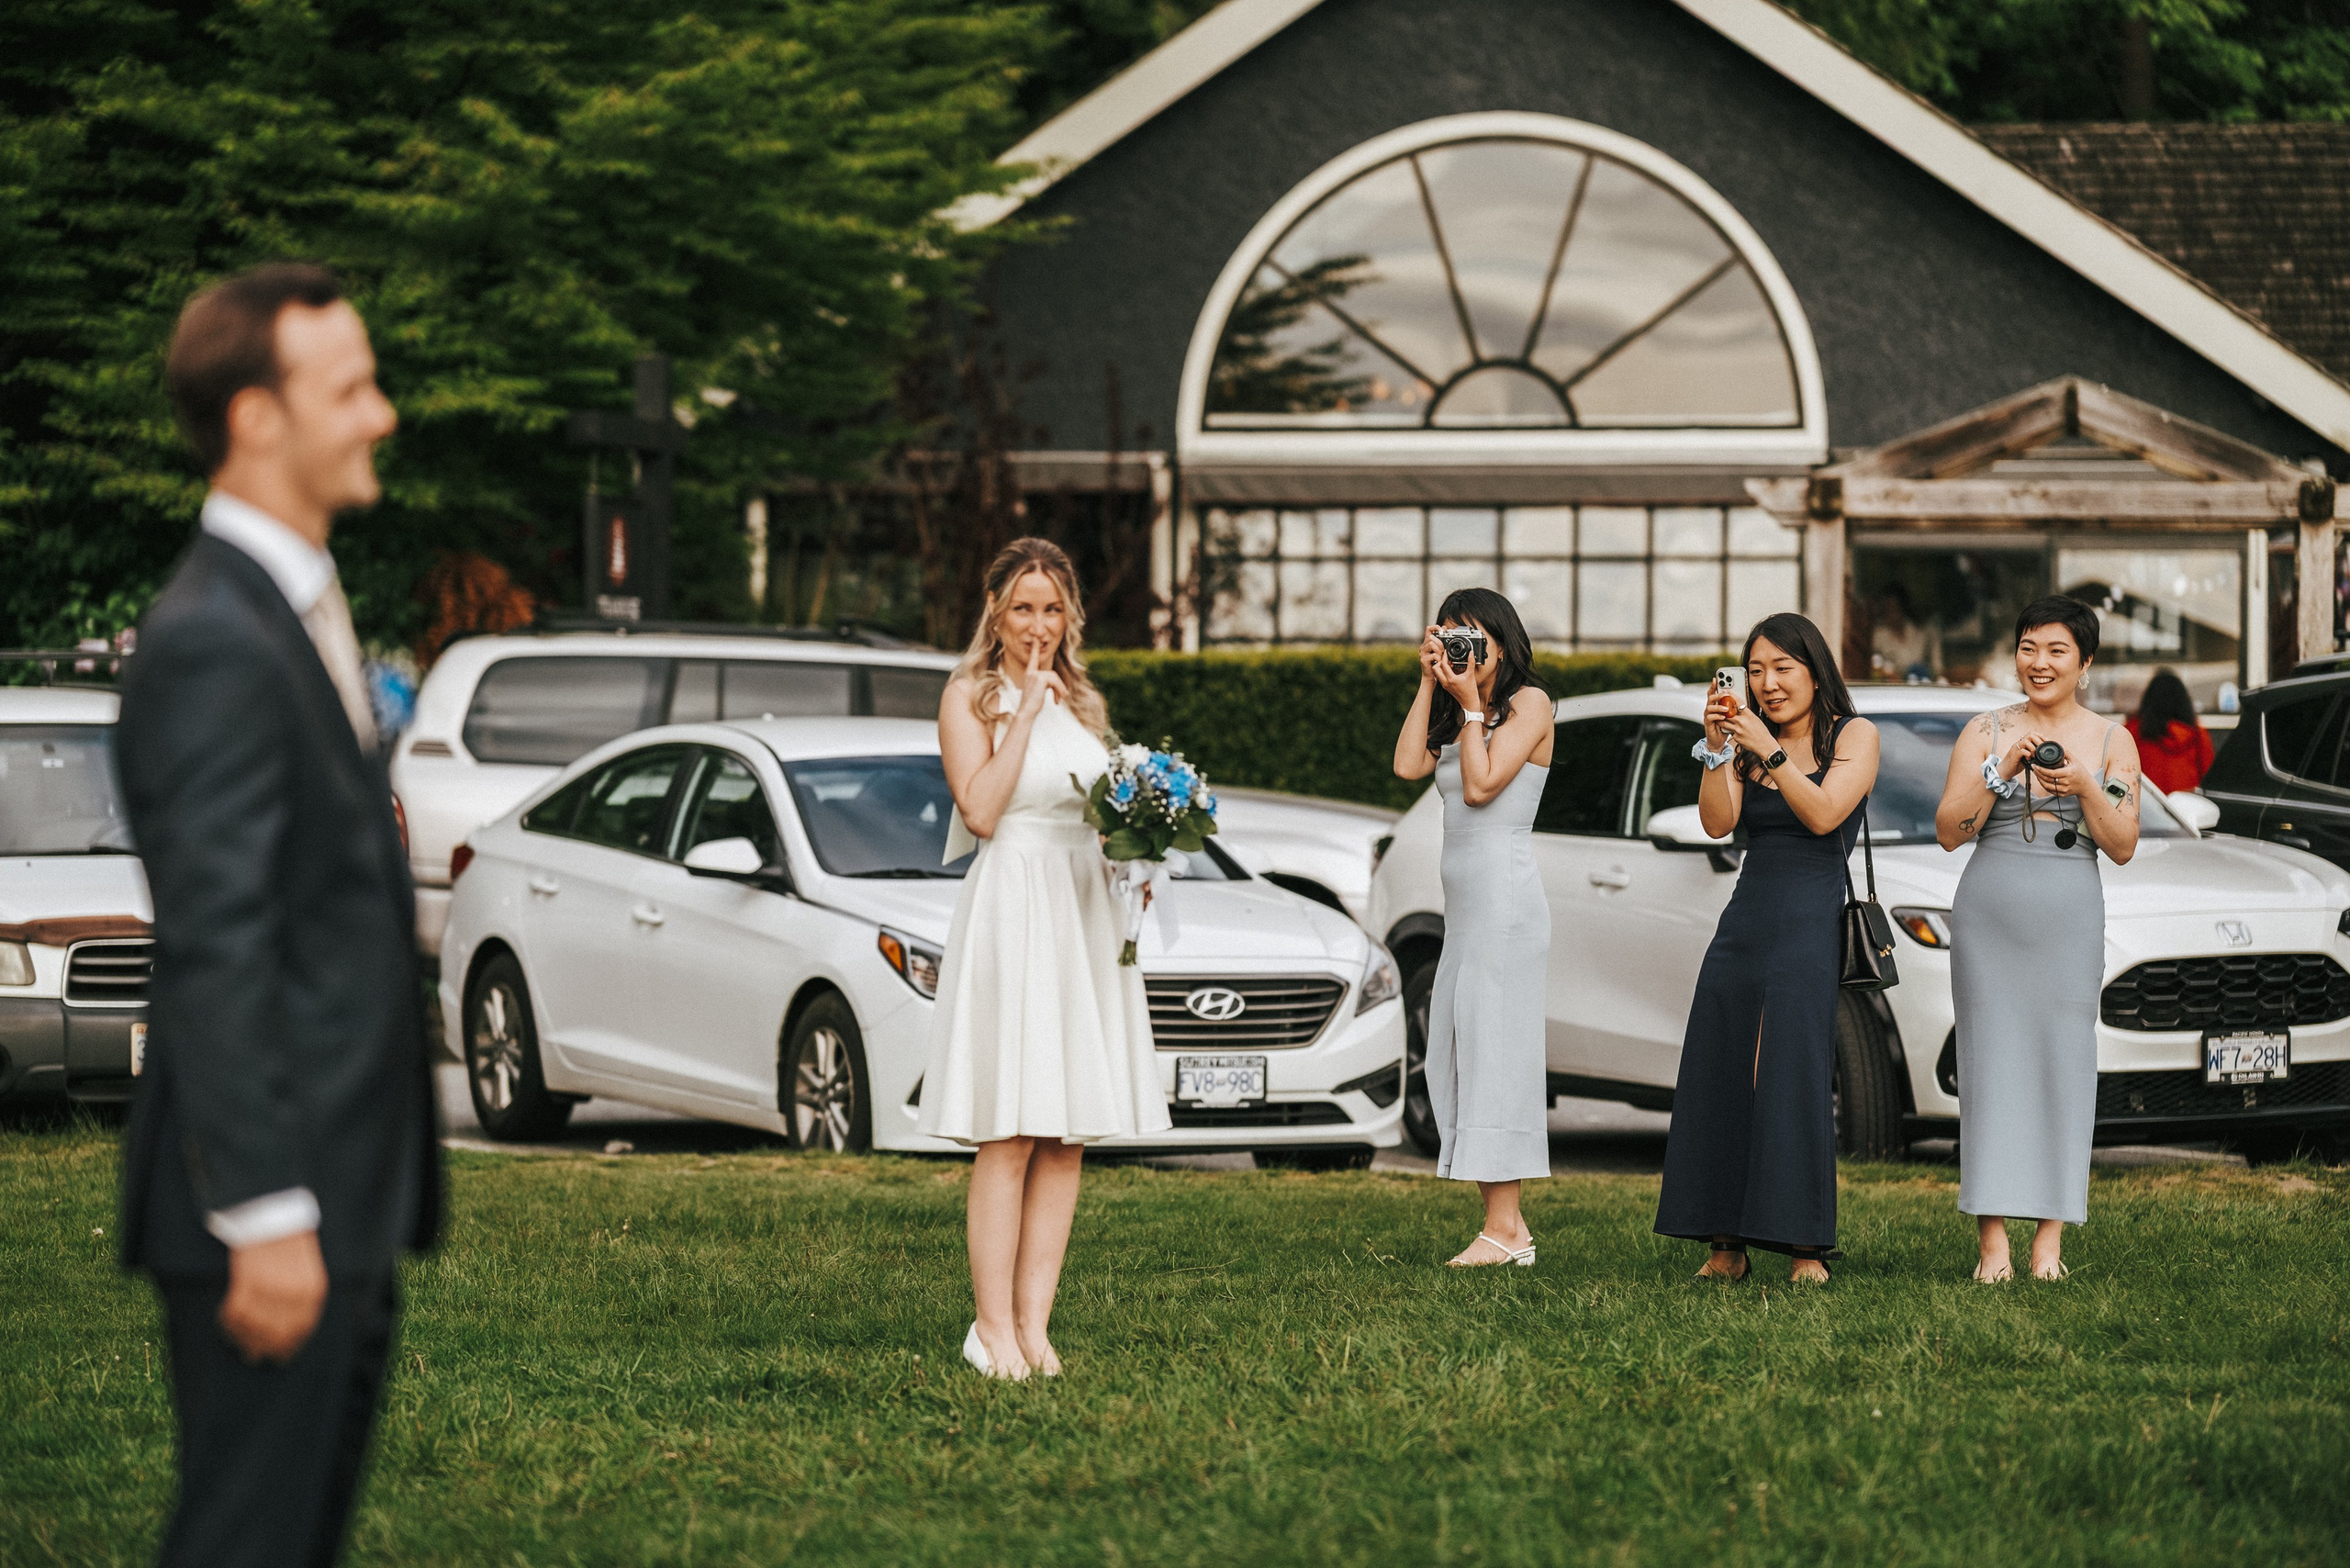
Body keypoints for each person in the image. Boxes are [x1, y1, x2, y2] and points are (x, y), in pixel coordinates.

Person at [115, 263, 442, 1566]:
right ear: (258, 417)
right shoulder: (214, 640)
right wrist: (264, 1215)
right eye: (350, 387)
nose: (383, 415)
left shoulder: (289, 609)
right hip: (270, 1210)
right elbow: (219, 942)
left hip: (339, 1198)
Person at [920, 537, 1169, 1379]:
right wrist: (1022, 710)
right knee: (1013, 1127)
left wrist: (1139, 848)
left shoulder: (1087, 708)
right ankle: (990, 1327)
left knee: (1066, 1136)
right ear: (995, 610)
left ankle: (1035, 1326)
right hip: (1014, 908)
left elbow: (1099, 817)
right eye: (1023, 607)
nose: (1038, 624)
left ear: (1072, 618)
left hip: (1082, 915)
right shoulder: (969, 697)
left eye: (1052, 608)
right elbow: (983, 812)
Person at [1655, 613, 1879, 1284]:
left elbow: (1824, 814)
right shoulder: (1745, 740)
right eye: (1755, 670)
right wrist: (1718, 745)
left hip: (1810, 917)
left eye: (1782, 668)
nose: (1768, 683)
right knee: (1722, 1068)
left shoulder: (1854, 736)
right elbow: (1719, 823)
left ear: (1814, 670)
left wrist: (1773, 754)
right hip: (1746, 918)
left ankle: (1804, 1245)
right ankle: (1725, 1242)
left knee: (1791, 1072)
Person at [1935, 597, 2139, 1282]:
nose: (2040, 662)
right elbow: (1948, 831)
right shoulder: (1985, 730)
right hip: (1990, 916)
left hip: (2069, 918)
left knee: (2063, 1067)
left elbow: (2122, 845)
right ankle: (1993, 1240)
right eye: (2028, 647)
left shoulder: (2113, 740)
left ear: (2085, 664)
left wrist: (2083, 785)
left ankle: (2049, 1240)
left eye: (2056, 650)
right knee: (1989, 1067)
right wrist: (2001, 774)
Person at [1391, 588, 1554, 1266]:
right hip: (1467, 909)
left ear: (1501, 641)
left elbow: (1484, 786)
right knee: (1466, 1050)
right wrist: (1430, 682)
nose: (1462, 649)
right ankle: (1503, 1226)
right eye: (1449, 636)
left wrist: (1470, 705)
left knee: (1498, 1055)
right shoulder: (1458, 707)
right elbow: (1406, 765)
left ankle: (1508, 1229)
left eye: (1471, 637)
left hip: (1506, 904)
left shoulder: (1530, 704)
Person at [2127, 667, 2213, 795]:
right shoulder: (2197, 734)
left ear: (2149, 700)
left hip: (2147, 806)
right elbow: (2208, 778)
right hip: (2186, 807)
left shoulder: (2133, 732)